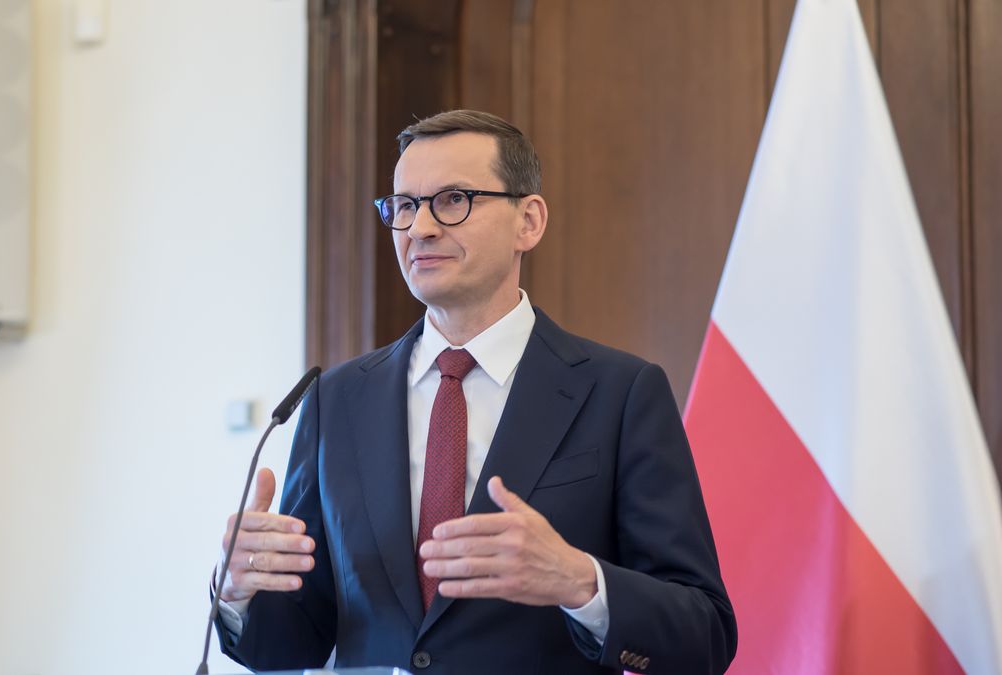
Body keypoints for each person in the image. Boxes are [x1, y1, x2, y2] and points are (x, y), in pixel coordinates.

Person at [209, 110, 736, 674]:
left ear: (527, 222)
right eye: (404, 206)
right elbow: (293, 642)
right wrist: (238, 590)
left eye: (453, 200)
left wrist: (579, 580)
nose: (420, 228)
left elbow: (704, 633)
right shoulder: (335, 400)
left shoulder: (620, 393)